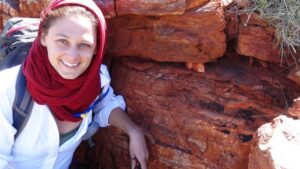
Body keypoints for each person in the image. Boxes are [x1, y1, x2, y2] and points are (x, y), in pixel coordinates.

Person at [0, 0, 149, 169]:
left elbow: (104, 104)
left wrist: (133, 130)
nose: (72, 56)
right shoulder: (7, 91)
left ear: (96, 49)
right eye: (62, 41)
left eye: (84, 45)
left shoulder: (94, 83)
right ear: (43, 37)